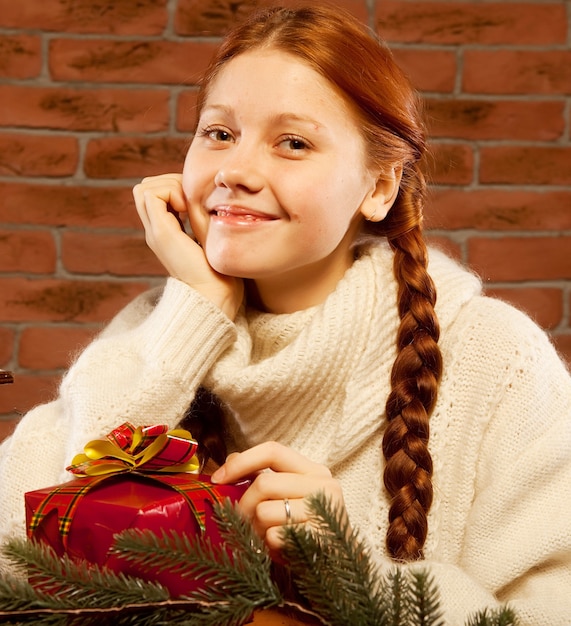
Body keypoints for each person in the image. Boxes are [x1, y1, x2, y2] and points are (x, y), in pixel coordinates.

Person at [1, 5, 570, 623]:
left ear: (379, 187)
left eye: (293, 143)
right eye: (219, 134)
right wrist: (198, 313)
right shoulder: (153, 337)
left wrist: (349, 567)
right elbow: (14, 557)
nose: (236, 171)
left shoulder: (495, 357)